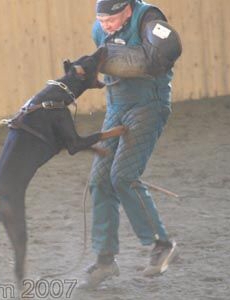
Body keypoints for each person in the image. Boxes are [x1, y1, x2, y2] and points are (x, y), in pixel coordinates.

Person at [79, 0, 182, 289]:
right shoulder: (99, 32)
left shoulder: (148, 18)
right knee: (99, 180)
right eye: (101, 20)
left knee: (122, 176)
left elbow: (167, 51)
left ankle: (162, 245)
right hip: (116, 107)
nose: (105, 25)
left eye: (110, 19)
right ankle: (105, 259)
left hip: (148, 104)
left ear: (127, 9)